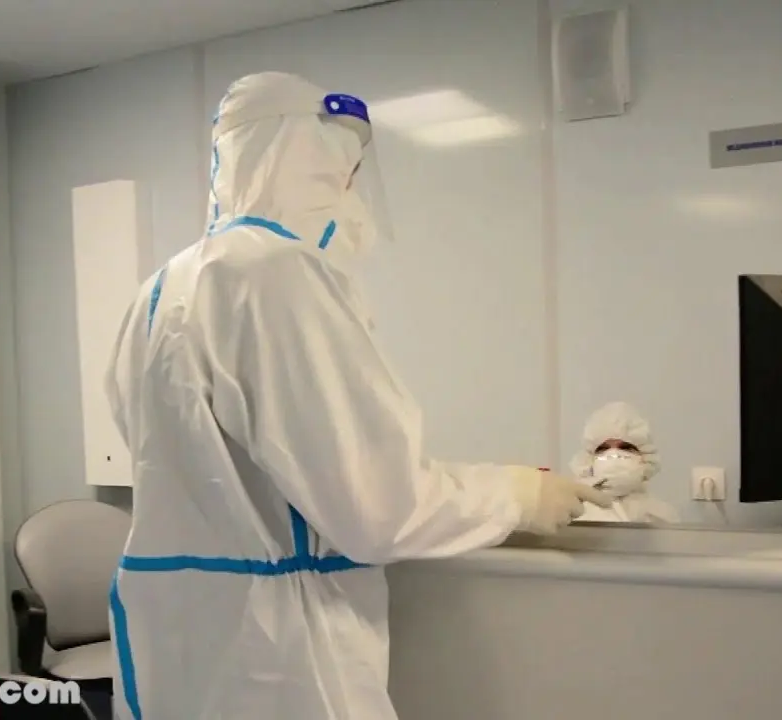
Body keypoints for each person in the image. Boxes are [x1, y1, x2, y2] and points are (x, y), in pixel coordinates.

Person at [102, 71, 610, 720]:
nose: (349, 188)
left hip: (174, 631)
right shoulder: (277, 274)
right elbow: (376, 507)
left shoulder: (161, 288)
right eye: (343, 167)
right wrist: (516, 494)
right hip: (277, 650)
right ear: (303, 157)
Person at [569, 401, 679, 524]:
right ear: (589, 461)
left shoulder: (662, 516)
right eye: (603, 449)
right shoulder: (573, 513)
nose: (614, 454)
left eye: (625, 448)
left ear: (645, 458)